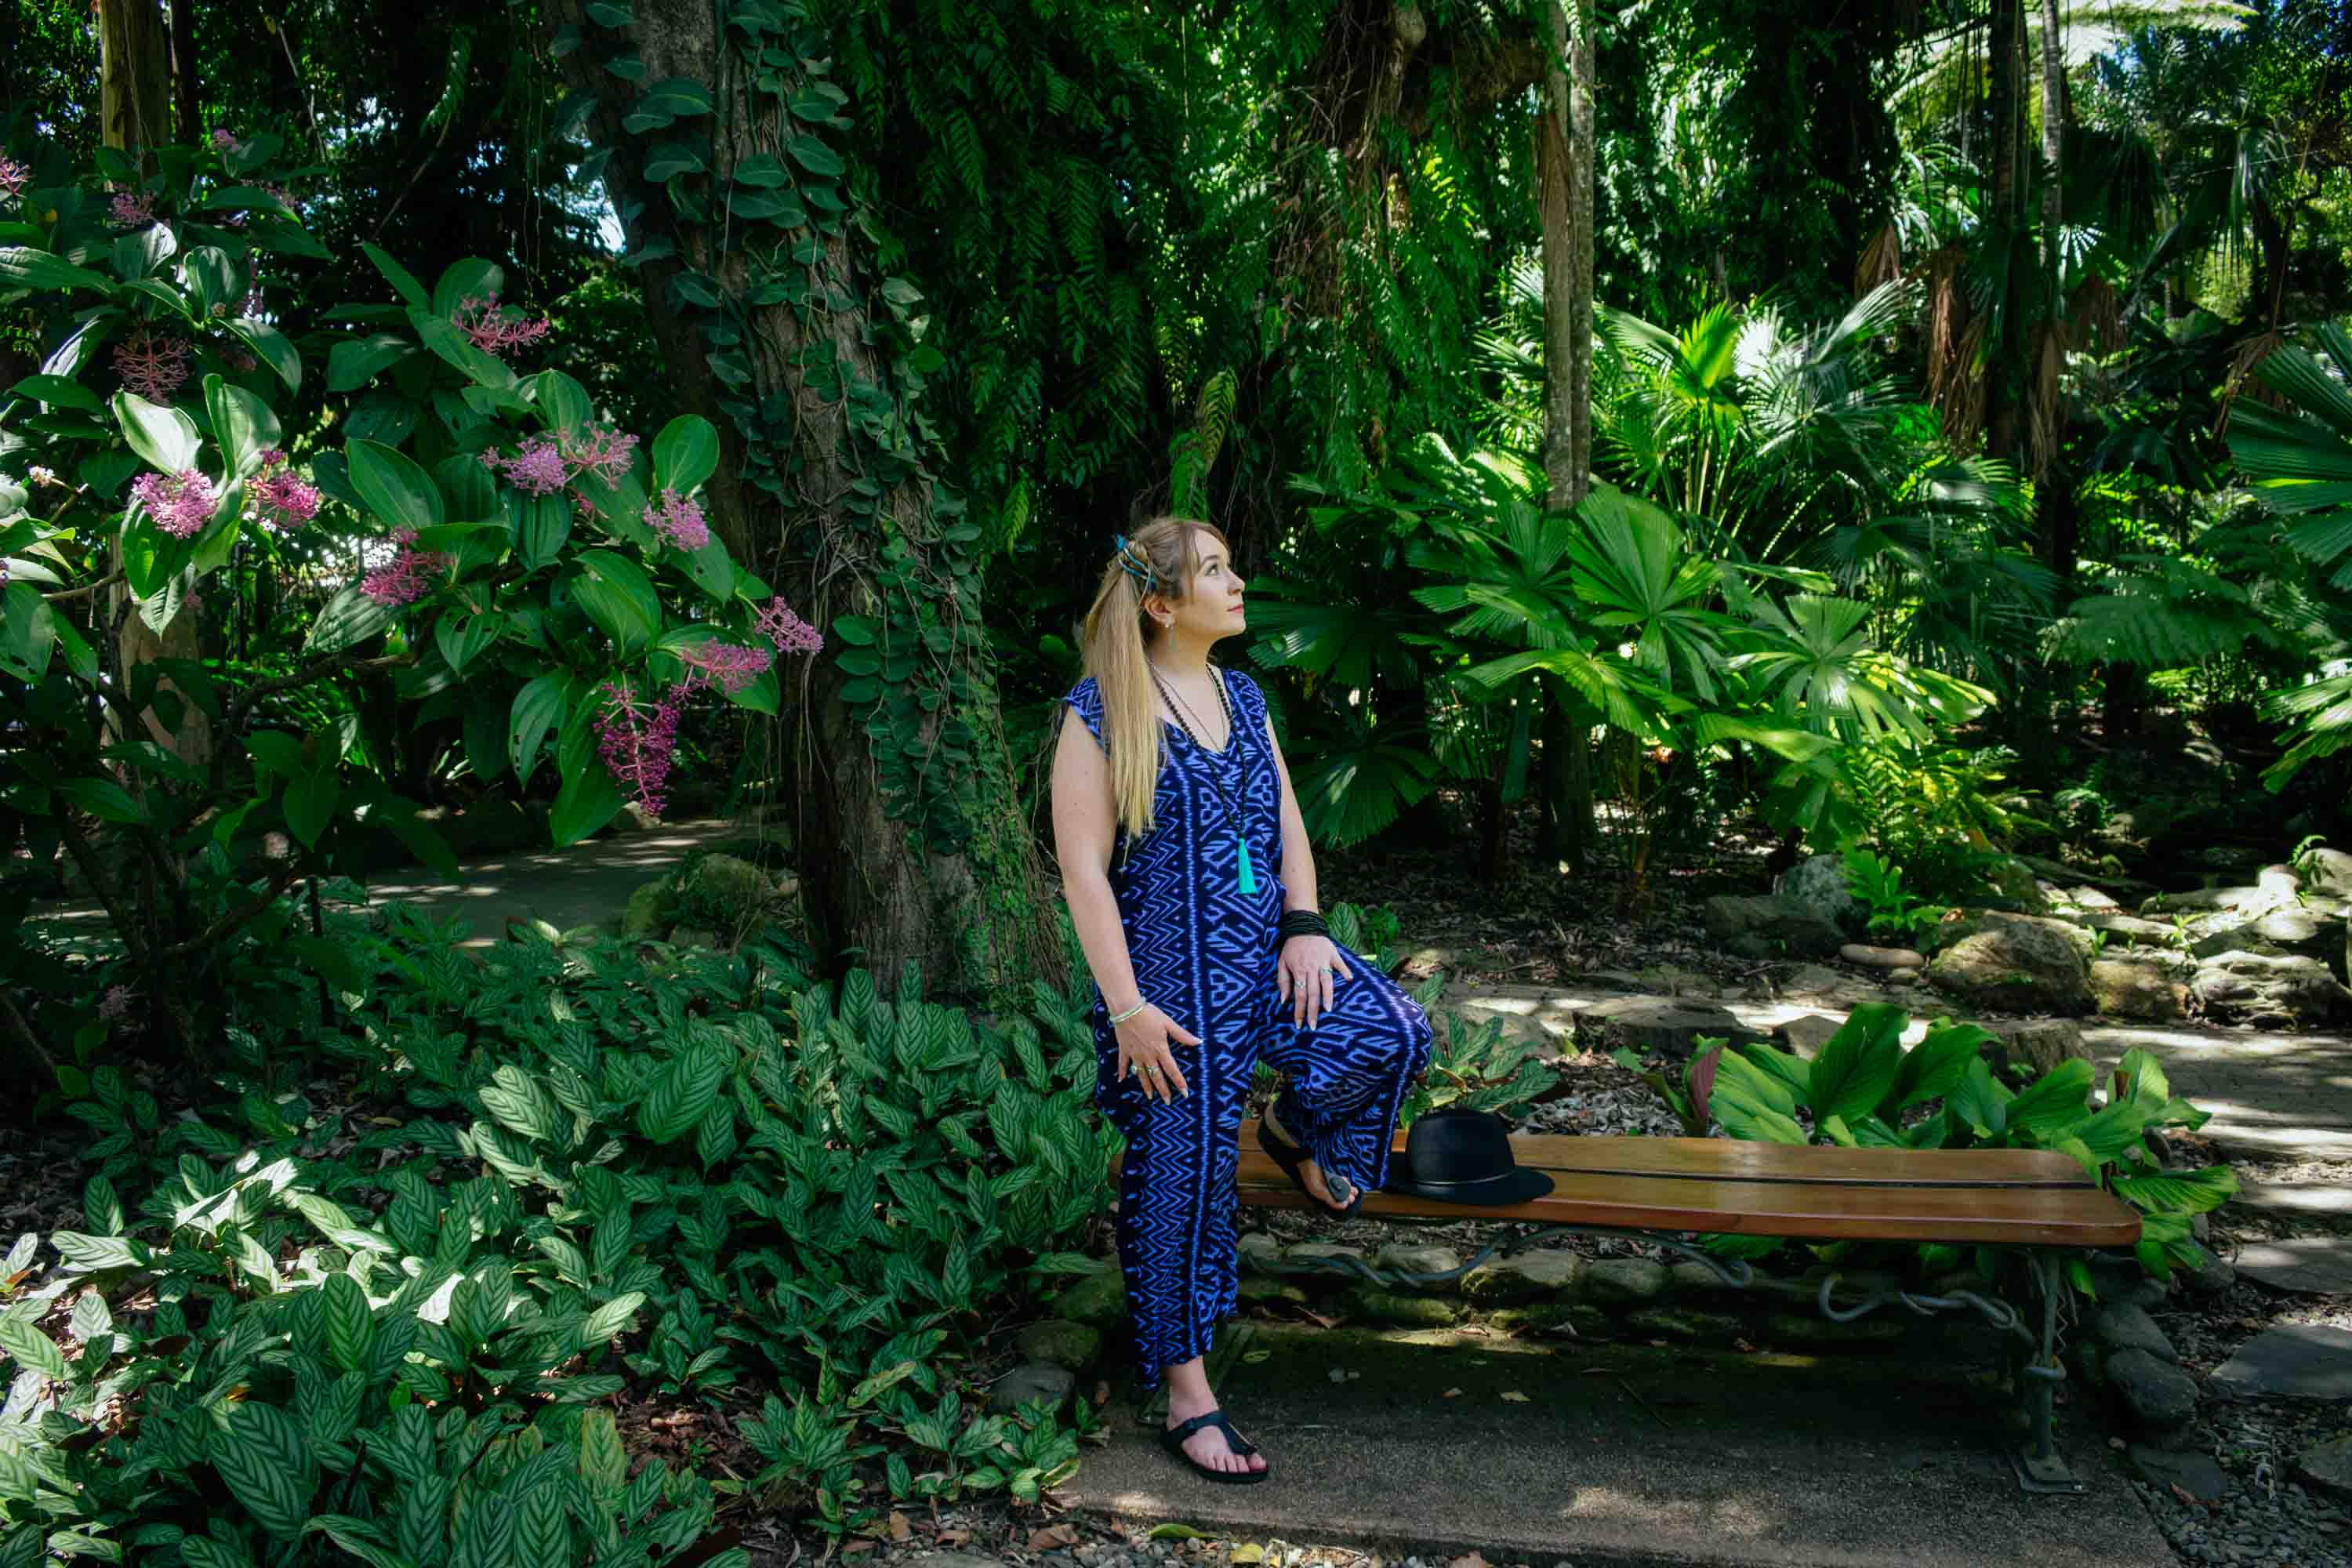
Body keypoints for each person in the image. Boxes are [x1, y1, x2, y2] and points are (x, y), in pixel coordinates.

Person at [1047, 517, 1435, 1485]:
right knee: (1180, 1179)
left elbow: (1289, 824)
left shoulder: (1244, 694)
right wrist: (1128, 1010)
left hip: (1265, 962)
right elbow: (1083, 874)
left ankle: (1297, 1129)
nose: (1238, 581)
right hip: (1168, 993)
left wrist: (1305, 924)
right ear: (1161, 603)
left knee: (1391, 1030)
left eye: (1230, 565)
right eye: (1215, 570)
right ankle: (1189, 1393)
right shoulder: (1101, 712)